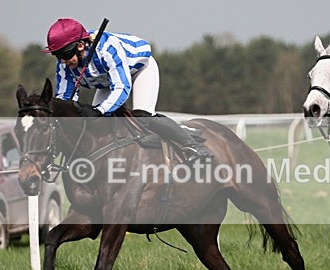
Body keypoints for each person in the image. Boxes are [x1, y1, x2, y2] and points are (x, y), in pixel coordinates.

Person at [43, 18, 210, 162]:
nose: (63, 62)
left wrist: (100, 110)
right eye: (58, 56)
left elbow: (122, 87)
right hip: (107, 81)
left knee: (142, 117)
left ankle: (190, 142)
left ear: (80, 45)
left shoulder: (107, 49)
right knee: (97, 125)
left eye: (65, 55)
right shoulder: (64, 65)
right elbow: (64, 98)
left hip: (139, 70)